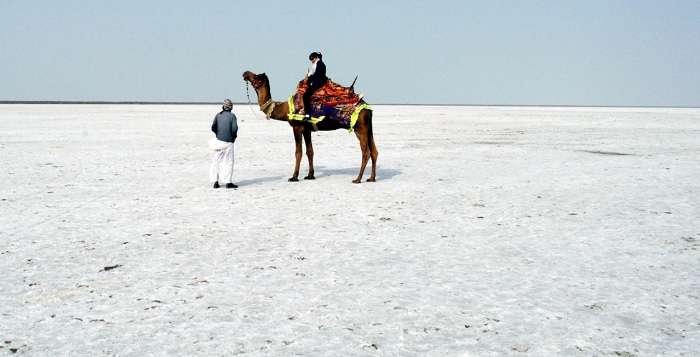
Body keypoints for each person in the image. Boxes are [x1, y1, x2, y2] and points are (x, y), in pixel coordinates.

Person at [209, 99, 238, 189]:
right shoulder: (232, 116)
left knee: (216, 162)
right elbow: (234, 129)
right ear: (231, 107)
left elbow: (213, 127)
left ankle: (215, 182)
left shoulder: (218, 115)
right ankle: (228, 182)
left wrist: (219, 134)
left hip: (218, 141)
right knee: (228, 162)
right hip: (228, 142)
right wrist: (233, 138)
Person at [302, 51, 328, 116]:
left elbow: (317, 75)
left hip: (319, 82)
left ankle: (307, 112)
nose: (312, 61)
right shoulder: (316, 64)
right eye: (311, 60)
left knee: (305, 95)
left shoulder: (320, 64)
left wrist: (310, 80)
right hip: (316, 81)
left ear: (316, 58)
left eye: (312, 59)